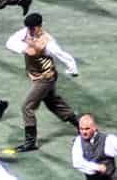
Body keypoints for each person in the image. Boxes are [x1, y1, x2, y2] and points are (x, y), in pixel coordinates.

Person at [5, 10, 80, 153]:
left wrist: (72, 69)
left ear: (39, 26)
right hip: (37, 76)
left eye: (33, 28)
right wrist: (25, 48)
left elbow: (62, 55)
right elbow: (10, 42)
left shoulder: (48, 42)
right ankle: (80, 125)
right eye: (29, 28)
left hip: (46, 78)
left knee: (27, 107)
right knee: (54, 104)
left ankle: (30, 142)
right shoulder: (25, 33)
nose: (31, 31)